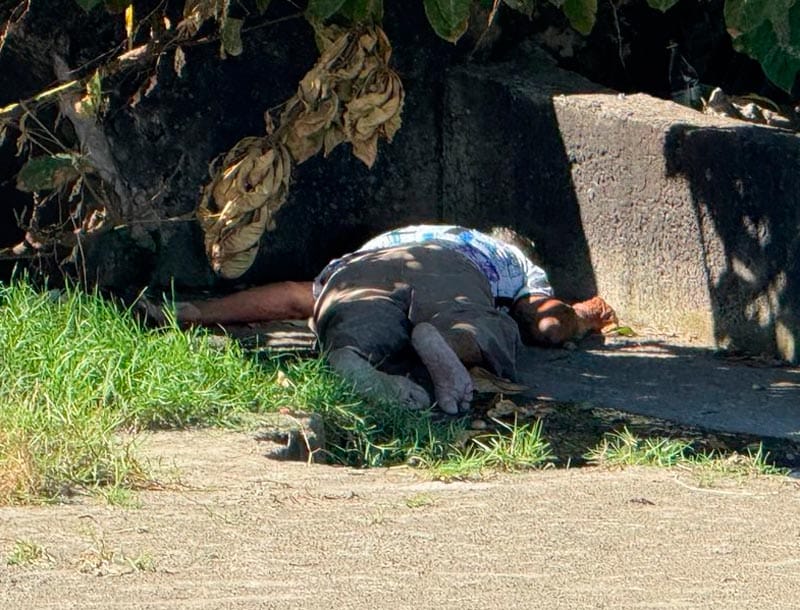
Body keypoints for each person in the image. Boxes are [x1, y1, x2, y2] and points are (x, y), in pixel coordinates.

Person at [151, 225, 616, 414]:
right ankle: (445, 343)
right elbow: (545, 322)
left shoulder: (399, 235)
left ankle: (350, 355)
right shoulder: (510, 259)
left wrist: (193, 313)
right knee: (481, 325)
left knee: (352, 314)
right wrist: (582, 317)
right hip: (453, 271)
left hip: (359, 268)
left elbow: (293, 298)